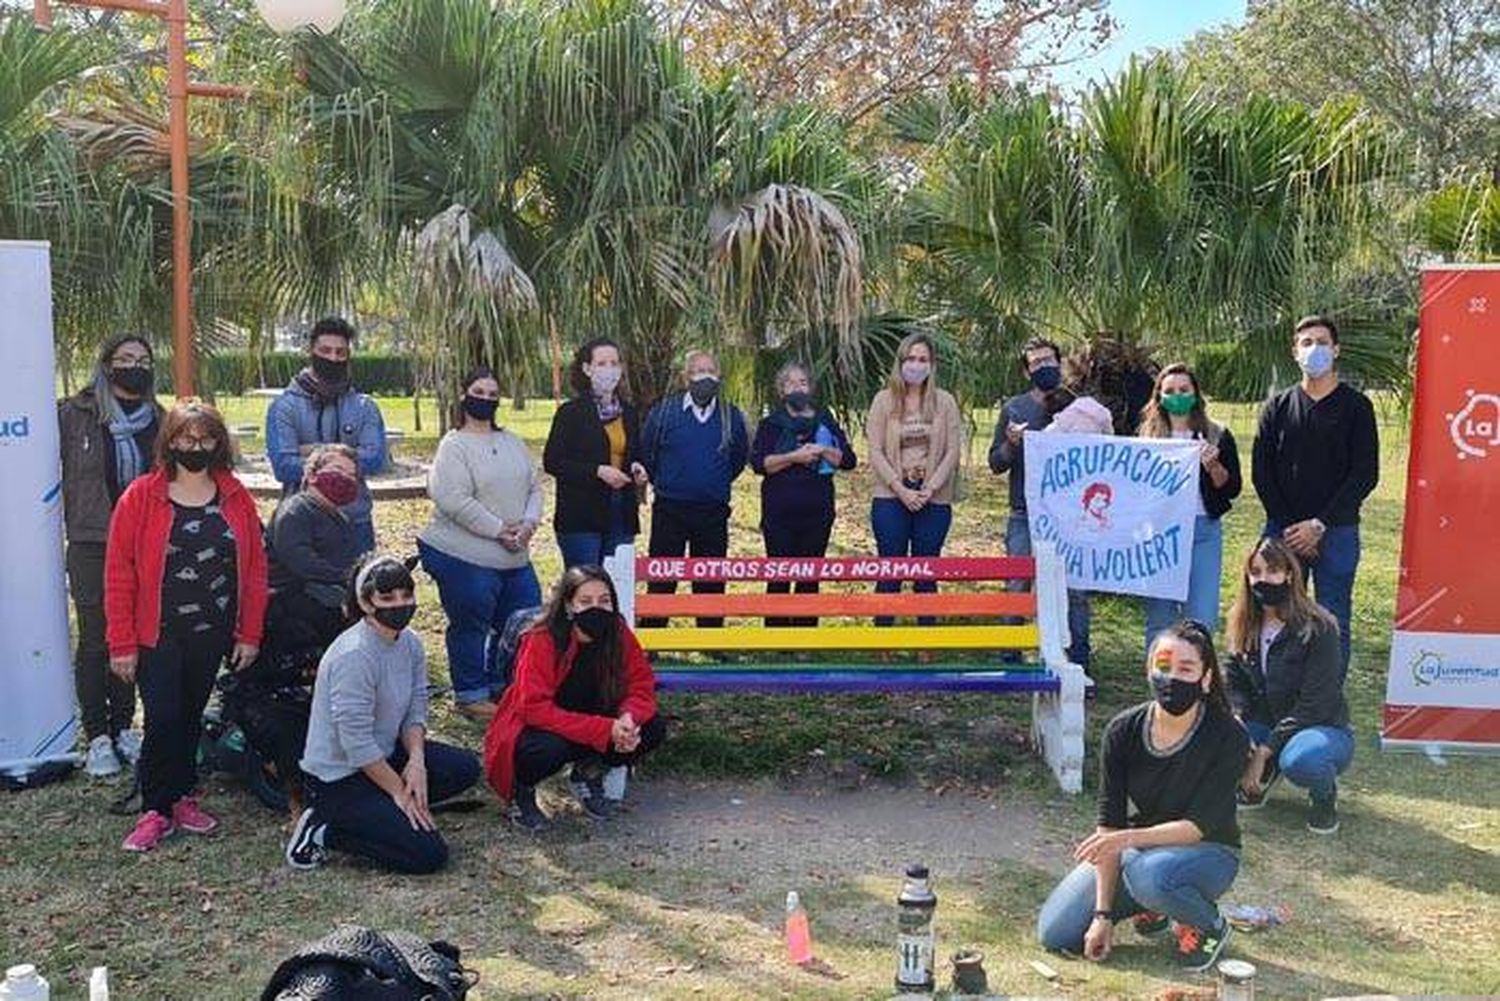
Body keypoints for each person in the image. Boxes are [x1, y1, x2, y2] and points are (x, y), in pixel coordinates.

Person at [104, 401, 269, 852]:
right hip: (155, 633)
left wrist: (249, 633)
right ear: (169, 441)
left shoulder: (235, 496)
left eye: (205, 439)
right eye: (185, 438)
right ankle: (156, 808)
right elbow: (119, 573)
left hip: (212, 632)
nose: (194, 447)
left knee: (190, 717)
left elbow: (255, 571)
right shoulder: (141, 496)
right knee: (162, 718)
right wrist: (121, 643)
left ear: (218, 443)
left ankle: (181, 796)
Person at [1036, 622, 1248, 972]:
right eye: (1163, 667)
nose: (1172, 678)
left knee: (1150, 876)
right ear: (1148, 668)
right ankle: (1151, 905)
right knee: (1055, 933)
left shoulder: (1228, 735)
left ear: (1206, 678)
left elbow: (1197, 828)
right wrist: (1102, 915)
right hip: (1141, 853)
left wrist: (1126, 840)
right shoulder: (1123, 729)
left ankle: (1210, 924)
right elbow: (1109, 826)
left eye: (1186, 669)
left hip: (1211, 852)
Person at [287, 554, 481, 873]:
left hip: (387, 755)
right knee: (428, 855)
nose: (399, 604)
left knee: (463, 769)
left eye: (406, 595)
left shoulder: (411, 644)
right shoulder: (354, 656)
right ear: (365, 603)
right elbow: (357, 745)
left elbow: (416, 705)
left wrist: (416, 761)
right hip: (341, 777)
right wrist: (400, 793)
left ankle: (387, 813)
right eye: (387, 598)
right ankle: (324, 828)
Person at [483, 566, 665, 830]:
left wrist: (628, 718)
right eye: (585, 601)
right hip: (544, 727)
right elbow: (533, 708)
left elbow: (641, 683)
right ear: (568, 605)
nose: (597, 609)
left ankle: (589, 771)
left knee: (652, 728)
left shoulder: (617, 631)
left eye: (605, 601)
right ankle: (520, 791)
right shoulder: (541, 637)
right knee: (544, 751)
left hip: (596, 721)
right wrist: (605, 730)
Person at [59, 334, 164, 778]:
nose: (133, 366)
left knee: (133, 637)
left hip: (143, 544)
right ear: (106, 365)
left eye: (142, 359)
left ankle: (124, 727)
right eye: (124, 359)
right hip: (91, 542)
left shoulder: (160, 419)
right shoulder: (74, 414)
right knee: (97, 639)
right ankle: (97, 734)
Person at [1251, 315, 1379, 674]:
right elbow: (1263, 473)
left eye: (1322, 342)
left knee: (1332, 617)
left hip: (1336, 530)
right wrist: (1294, 527)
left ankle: (1325, 704)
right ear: (1295, 353)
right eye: (1307, 343)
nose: (1315, 349)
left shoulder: (1357, 408)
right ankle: (1273, 695)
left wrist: (1319, 525)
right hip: (1283, 531)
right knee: (1272, 615)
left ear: (1336, 350)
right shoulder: (1277, 408)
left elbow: (1365, 474)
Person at [417, 368, 544, 721]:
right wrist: (499, 529)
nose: (485, 398)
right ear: (463, 395)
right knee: (471, 623)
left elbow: (535, 486)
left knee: (525, 622)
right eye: (478, 391)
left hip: (516, 555)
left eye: (492, 393)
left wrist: (529, 524)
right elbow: (452, 498)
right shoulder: (454, 445)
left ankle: (502, 685)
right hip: (465, 555)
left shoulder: (512, 442)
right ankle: (470, 694)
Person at [1225, 537, 1351, 835]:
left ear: (1290, 575)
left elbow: (1315, 703)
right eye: (1255, 572)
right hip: (1263, 720)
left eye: (1272, 570)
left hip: (1320, 725)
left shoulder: (1320, 626)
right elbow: (1233, 683)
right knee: (1222, 741)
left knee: (1301, 761)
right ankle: (1264, 774)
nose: (1263, 579)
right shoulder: (1242, 621)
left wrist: (1264, 751)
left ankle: (1324, 794)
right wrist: (1238, 721)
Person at [989, 338, 1091, 666]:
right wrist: (1010, 442)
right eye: (1035, 363)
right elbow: (996, 463)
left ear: (1059, 362)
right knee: (1017, 584)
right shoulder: (1014, 409)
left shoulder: (1080, 407)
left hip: (1070, 515)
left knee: (1074, 589)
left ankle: (1078, 657)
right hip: (1024, 513)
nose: (1043, 366)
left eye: (1048, 360)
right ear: (1026, 370)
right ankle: (1010, 654)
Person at [638, 350, 749, 628]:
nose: (705, 377)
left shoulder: (730, 416)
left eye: (711, 370)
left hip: (713, 510)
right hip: (670, 509)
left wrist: (712, 483)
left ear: (719, 376)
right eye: (699, 371)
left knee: (710, 577)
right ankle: (654, 636)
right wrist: (669, 481)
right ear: (686, 377)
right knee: (663, 576)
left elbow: (737, 460)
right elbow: (648, 452)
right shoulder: (664, 412)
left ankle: (711, 639)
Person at [265, 316, 388, 555]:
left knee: (358, 591)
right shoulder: (283, 407)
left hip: (355, 522)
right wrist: (347, 460)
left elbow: (375, 460)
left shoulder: (365, 407)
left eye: (340, 353)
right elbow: (283, 466)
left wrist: (311, 451)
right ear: (311, 350)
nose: (333, 358)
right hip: (300, 521)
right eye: (325, 350)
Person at [1139, 364, 1242, 649]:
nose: (1177, 396)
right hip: (1160, 533)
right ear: (1158, 396)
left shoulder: (1217, 435)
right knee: (1159, 615)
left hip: (1203, 532)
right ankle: (1160, 681)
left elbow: (1231, 488)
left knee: (1201, 615)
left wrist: (1213, 466)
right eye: (1170, 391)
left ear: (1196, 394)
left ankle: (1199, 683)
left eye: (1184, 390)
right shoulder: (1147, 439)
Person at [866, 332, 963, 627]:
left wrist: (930, 488)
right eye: (910, 359)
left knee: (926, 573)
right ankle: (883, 643)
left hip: (934, 498)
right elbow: (875, 450)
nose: (916, 365)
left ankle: (926, 643)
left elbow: (952, 450)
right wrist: (900, 488)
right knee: (890, 572)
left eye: (923, 360)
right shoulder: (884, 400)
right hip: (890, 496)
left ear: (932, 365)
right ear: (900, 362)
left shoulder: (944, 402)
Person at [749, 363, 856, 626]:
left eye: (803, 383)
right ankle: (777, 639)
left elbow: (849, 460)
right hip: (779, 514)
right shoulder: (771, 424)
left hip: (817, 512)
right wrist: (794, 457)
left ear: (811, 388)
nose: (798, 388)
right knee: (779, 576)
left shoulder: (825, 420)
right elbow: (760, 464)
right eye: (791, 383)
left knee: (810, 576)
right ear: (781, 390)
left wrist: (822, 450)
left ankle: (804, 637)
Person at [543, 337, 649, 569]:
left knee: (616, 583)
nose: (609, 370)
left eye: (614, 363)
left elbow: (634, 453)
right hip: (581, 515)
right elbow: (553, 462)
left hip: (621, 511)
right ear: (587, 369)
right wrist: (597, 471)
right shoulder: (571, 413)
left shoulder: (629, 413)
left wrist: (637, 468)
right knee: (585, 584)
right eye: (602, 364)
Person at [265, 443, 365, 653]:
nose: (345, 478)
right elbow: (302, 563)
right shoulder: (295, 512)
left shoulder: (339, 516)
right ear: (311, 475)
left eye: (351, 475)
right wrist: (348, 578)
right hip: (295, 602)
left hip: (329, 594)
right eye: (338, 470)